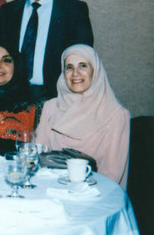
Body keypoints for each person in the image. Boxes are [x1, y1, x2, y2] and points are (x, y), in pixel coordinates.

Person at [0, 0, 94, 99]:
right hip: (14, 97)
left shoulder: (74, 11)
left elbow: (83, 59)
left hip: (58, 98)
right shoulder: (8, 12)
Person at [35, 44, 130, 188]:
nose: (75, 73)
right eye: (69, 67)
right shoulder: (51, 107)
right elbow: (37, 156)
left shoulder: (116, 115)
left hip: (94, 195)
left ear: (95, 71)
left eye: (83, 66)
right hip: (51, 190)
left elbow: (111, 175)